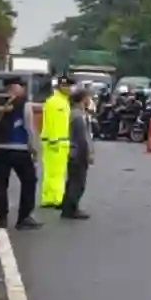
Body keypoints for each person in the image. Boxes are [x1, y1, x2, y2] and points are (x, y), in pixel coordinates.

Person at [0, 77, 41, 229]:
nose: (22, 89)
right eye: (20, 86)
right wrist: (34, 147)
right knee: (29, 181)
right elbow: (29, 128)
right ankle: (24, 217)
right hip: (19, 149)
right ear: (14, 87)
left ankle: (1, 217)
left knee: (1, 184)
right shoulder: (24, 104)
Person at [39, 75, 74, 209]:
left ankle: (50, 197)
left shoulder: (62, 101)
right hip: (56, 142)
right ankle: (55, 198)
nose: (70, 89)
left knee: (54, 172)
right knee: (55, 173)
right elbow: (52, 122)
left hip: (59, 141)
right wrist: (54, 141)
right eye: (68, 86)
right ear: (61, 87)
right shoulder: (55, 102)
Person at [61, 87, 94, 219]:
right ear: (83, 99)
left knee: (72, 181)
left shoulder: (76, 113)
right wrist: (88, 154)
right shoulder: (78, 116)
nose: (89, 100)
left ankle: (67, 207)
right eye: (88, 98)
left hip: (73, 152)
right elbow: (82, 139)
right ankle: (72, 208)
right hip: (78, 153)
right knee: (78, 182)